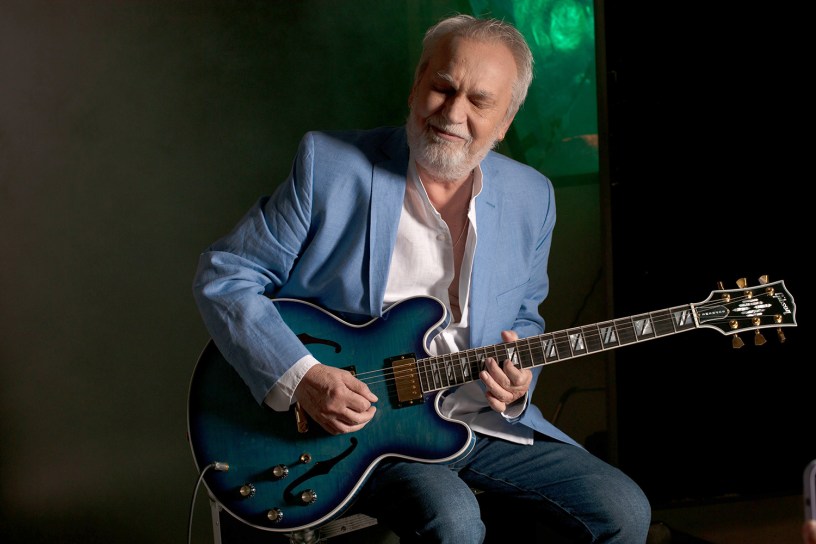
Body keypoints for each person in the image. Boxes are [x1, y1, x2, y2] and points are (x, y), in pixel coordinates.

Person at [193, 13, 652, 544]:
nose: (453, 113)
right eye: (443, 87)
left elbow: (525, 317)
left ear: (506, 121)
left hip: (479, 421)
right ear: (417, 85)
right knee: (453, 521)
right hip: (361, 430)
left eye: (479, 101)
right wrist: (304, 378)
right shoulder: (330, 165)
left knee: (624, 509)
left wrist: (519, 379)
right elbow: (226, 275)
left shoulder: (532, 196)